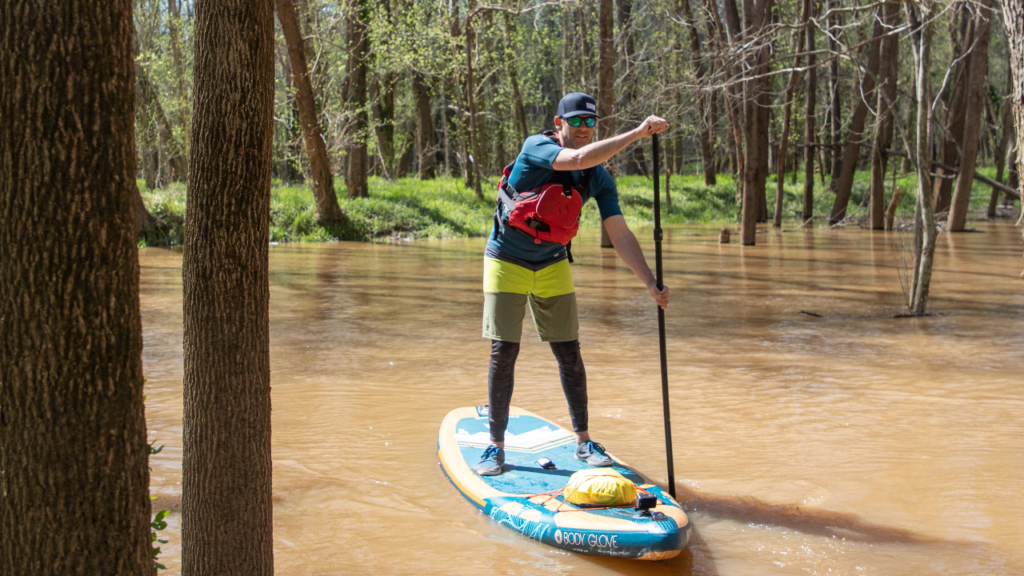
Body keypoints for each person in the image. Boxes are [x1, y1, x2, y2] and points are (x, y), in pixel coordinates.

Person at [477, 91, 670, 476]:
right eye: (576, 121)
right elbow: (578, 158)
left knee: (569, 352)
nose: (583, 128)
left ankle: (583, 441)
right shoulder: (537, 148)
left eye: (590, 122)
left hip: (551, 262)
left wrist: (649, 282)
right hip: (506, 260)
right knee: (505, 352)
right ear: (558, 123)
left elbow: (619, 233)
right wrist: (637, 133)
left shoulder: (598, 179)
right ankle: (494, 447)